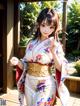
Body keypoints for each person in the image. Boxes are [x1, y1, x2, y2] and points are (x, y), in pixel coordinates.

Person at [10, 8, 69, 106]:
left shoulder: (55, 44)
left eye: (51, 27)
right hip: (29, 82)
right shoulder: (31, 43)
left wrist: (53, 52)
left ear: (55, 28)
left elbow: (61, 68)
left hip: (45, 83)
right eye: (43, 25)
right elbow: (25, 64)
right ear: (38, 24)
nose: (47, 30)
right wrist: (18, 62)